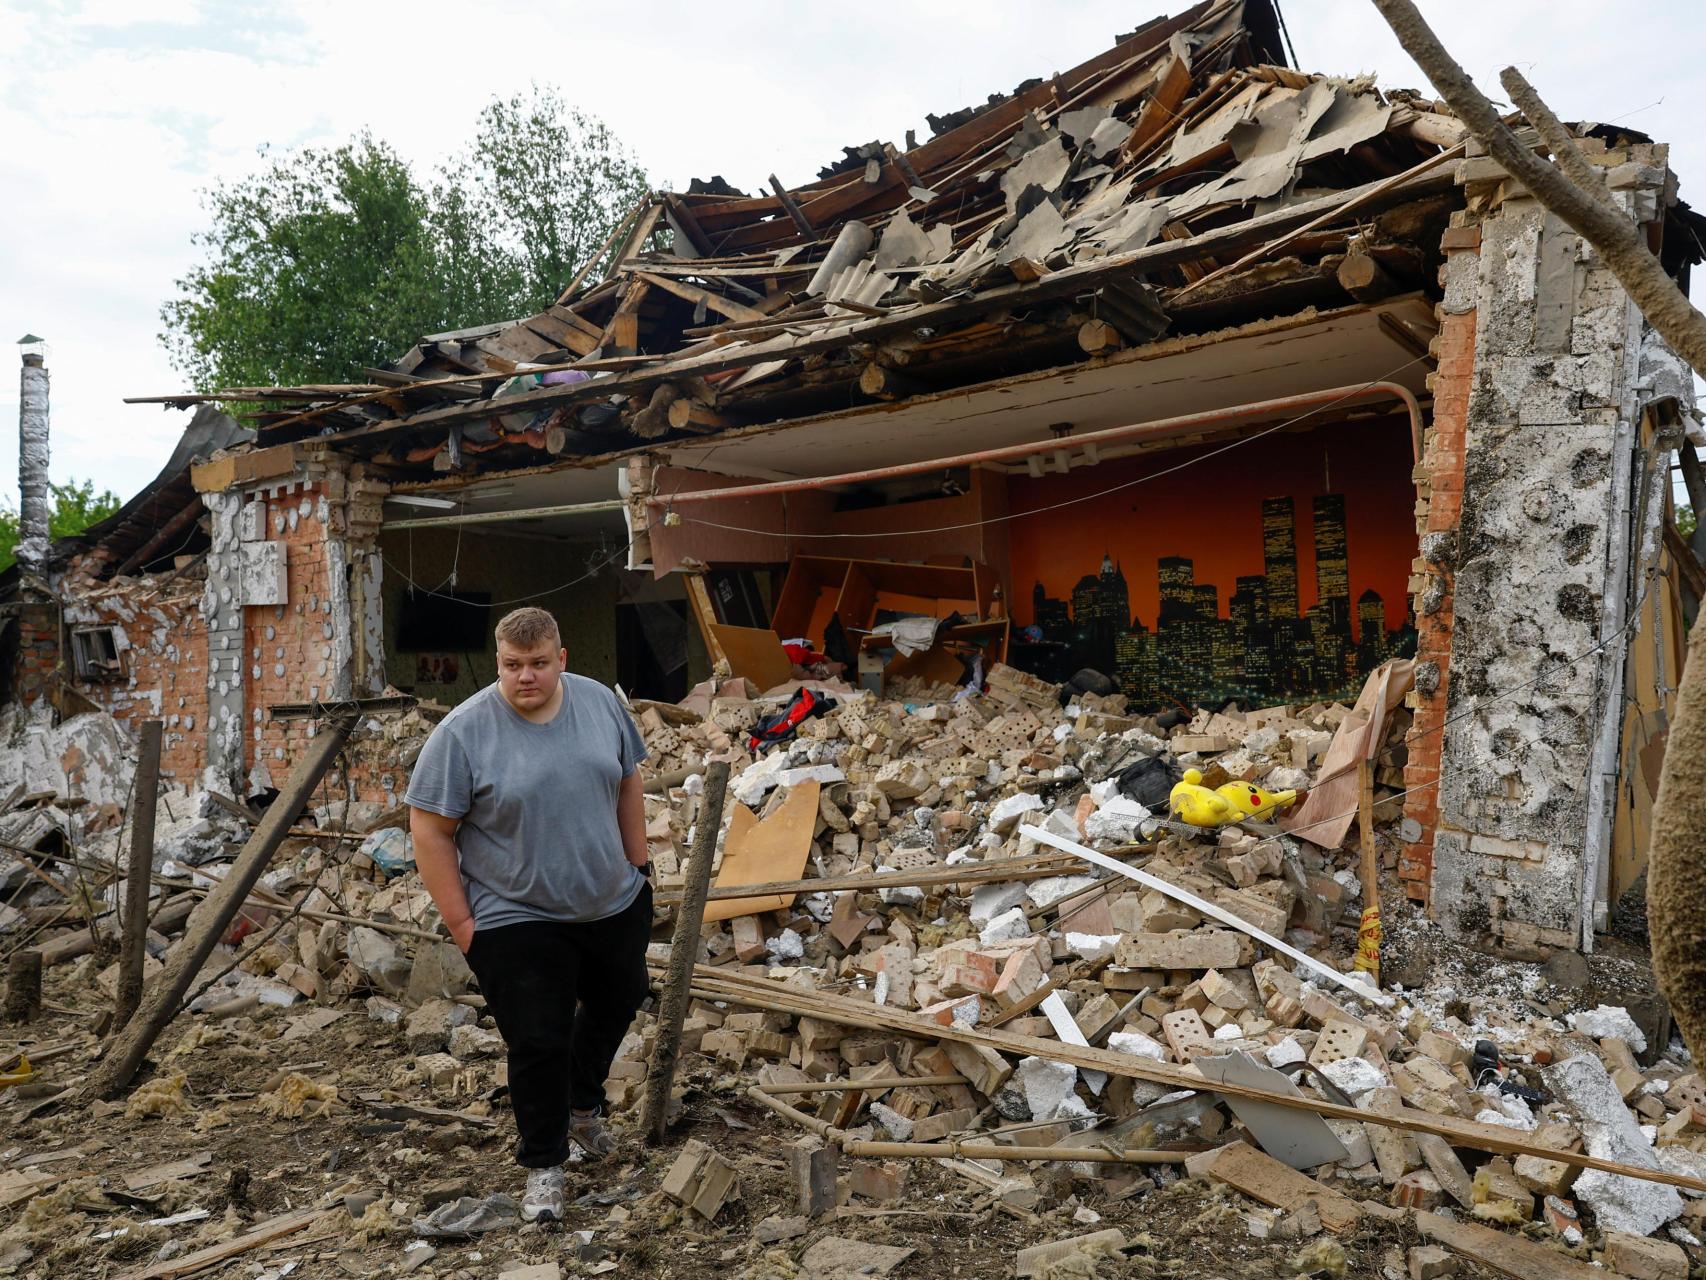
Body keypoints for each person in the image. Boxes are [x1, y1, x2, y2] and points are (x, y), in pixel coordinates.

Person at [406, 606, 652, 1223]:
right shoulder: (463, 733)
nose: (525, 677)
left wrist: (640, 868)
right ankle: (545, 1168)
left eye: (538, 664)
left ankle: (582, 1105)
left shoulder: (599, 704)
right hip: (515, 912)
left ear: (561, 660)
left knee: (623, 997)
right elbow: (431, 832)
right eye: (512, 666)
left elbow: (627, 782)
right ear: (498, 664)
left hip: (610, 897)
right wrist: (465, 927)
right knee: (537, 1039)